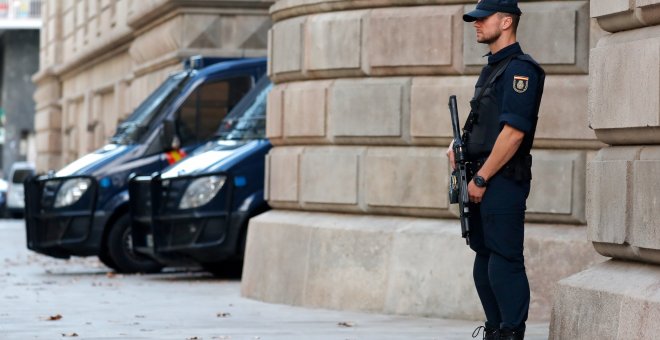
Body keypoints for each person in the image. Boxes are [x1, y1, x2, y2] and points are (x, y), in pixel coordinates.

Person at [447, 1, 545, 339]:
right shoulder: (493, 67)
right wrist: (458, 146)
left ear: (506, 22)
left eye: (482, 18)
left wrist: (482, 177)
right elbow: (486, 122)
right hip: (479, 176)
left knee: (504, 259)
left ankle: (510, 332)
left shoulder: (521, 70)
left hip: (500, 179)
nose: (475, 24)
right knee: (484, 256)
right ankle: (494, 330)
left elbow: (513, 133)